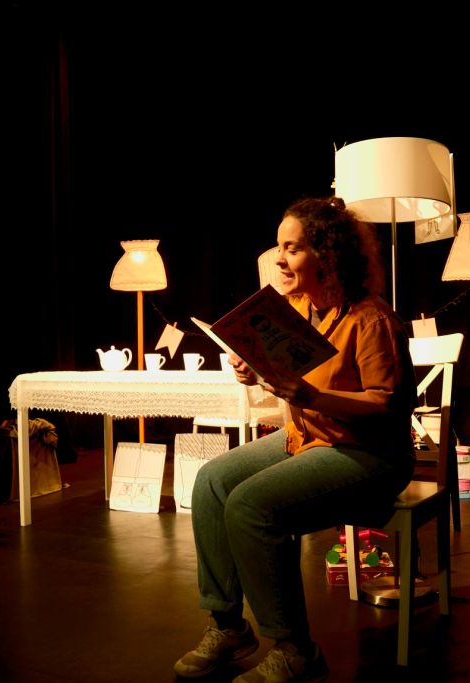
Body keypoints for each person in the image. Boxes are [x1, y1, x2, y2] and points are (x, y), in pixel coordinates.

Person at [173, 196, 418, 682]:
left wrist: (313, 396)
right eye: (279, 247)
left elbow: (388, 404)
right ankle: (228, 626)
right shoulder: (298, 309)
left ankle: (295, 650)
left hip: (368, 453)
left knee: (251, 505)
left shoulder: (371, 319)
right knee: (212, 481)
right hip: (309, 437)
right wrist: (253, 367)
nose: (280, 259)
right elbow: (285, 369)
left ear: (326, 255)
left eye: (293, 248)